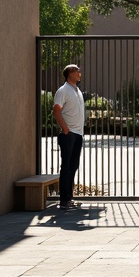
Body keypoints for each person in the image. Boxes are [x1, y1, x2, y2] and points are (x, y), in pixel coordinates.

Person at [52, 63, 85, 210]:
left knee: (73, 166)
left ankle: (69, 198)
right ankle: (64, 200)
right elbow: (56, 110)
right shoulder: (63, 90)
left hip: (78, 134)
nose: (79, 72)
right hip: (69, 134)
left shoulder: (77, 91)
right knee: (66, 167)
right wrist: (65, 129)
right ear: (69, 73)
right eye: (76, 70)